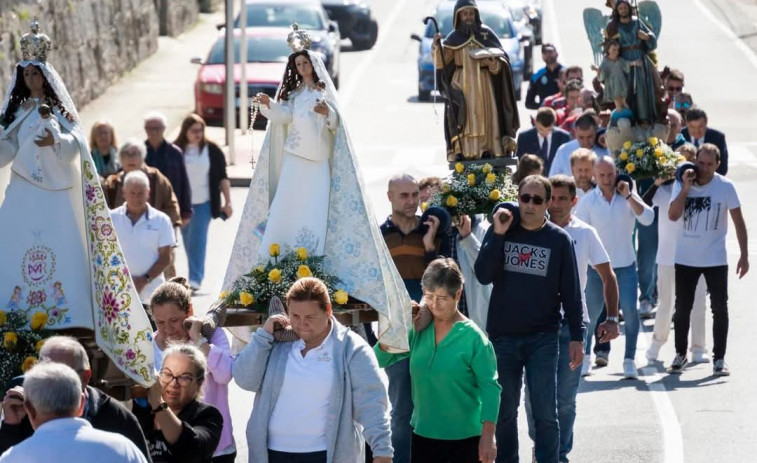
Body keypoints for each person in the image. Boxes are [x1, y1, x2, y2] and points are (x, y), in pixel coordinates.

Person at [228, 28, 410, 359]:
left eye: (305, 64)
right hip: (296, 160)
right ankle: (282, 256)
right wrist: (270, 107)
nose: (302, 70)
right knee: (287, 208)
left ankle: (311, 258)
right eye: (297, 65)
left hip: (317, 165)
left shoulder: (322, 96)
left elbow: (336, 122)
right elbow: (284, 118)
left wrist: (328, 117)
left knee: (311, 211)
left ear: (313, 64)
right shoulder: (296, 97)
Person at [0, 19, 154, 383]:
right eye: (28, 76)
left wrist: (55, 142)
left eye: (38, 75)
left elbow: (77, 147)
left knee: (64, 253)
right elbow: (6, 148)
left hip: (56, 197)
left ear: (46, 77)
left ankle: (68, 313)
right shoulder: (18, 114)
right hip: (24, 193)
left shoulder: (60, 114)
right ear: (22, 79)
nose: (33, 81)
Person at [475, 175, 585, 463]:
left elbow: (571, 292)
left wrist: (577, 336)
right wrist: (498, 234)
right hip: (503, 337)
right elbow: (482, 275)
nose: (530, 205)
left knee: (545, 413)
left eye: (537, 200)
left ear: (548, 203)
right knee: (504, 412)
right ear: (518, 198)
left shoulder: (559, 240)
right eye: (525, 198)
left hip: (543, 338)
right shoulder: (503, 230)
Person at [233, 277, 393, 463]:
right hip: (270, 454)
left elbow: (372, 404)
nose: (302, 324)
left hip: (326, 455)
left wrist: (383, 453)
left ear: (328, 311)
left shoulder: (352, 349)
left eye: (310, 317)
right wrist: (264, 335)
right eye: (295, 316)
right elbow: (244, 379)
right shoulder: (274, 342)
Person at [522, 175, 619, 462]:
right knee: (533, 397)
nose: (557, 204)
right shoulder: (530, 229)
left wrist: (612, 317)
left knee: (564, 399)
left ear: (574, 201)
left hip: (572, 327)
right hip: (536, 326)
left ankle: (558, 453)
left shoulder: (585, 234)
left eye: (564, 198)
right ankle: (542, 448)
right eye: (553, 198)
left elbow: (607, 275)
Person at [374, 258, 500, 463]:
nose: (433, 304)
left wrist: (488, 436)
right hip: (423, 436)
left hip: (466, 440)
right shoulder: (418, 329)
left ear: (457, 294)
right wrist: (399, 326)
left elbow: (490, 388)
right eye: (428, 296)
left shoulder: (474, 339)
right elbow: (379, 359)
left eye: (441, 298)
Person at [378, 173, 449, 462]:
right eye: (403, 195)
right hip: (396, 332)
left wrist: (431, 245)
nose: (411, 201)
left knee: (435, 405)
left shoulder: (433, 230)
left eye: (414, 195)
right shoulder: (379, 235)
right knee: (402, 409)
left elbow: (446, 278)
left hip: (434, 329)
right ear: (390, 197)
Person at [667, 144, 749, 376]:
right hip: (685, 257)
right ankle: (680, 354)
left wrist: (744, 255)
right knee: (682, 308)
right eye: (700, 163)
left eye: (708, 164)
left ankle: (719, 358)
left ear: (717, 165)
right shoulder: (682, 181)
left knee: (720, 309)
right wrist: (685, 188)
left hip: (715, 258)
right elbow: (672, 215)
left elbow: (739, 222)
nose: (703, 168)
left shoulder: (725, 187)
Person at [0, 336, 151, 460]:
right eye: (44, 374)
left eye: (64, 375)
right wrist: (11, 426)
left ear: (85, 377)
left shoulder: (118, 419)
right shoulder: (19, 411)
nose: (51, 383)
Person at [574, 156, 654, 378]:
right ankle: (586, 358)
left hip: (625, 267)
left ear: (616, 173)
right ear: (594, 176)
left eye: (610, 174)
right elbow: (579, 231)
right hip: (596, 270)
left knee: (630, 311)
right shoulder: (588, 201)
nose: (607, 179)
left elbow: (648, 218)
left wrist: (628, 195)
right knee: (589, 316)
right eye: (601, 175)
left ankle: (629, 360)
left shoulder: (627, 197)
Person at [149, 278, 236, 462]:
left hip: (216, 449)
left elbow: (224, 375)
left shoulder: (212, 336)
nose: (168, 329)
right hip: (167, 450)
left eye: (174, 320)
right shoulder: (146, 346)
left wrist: (198, 339)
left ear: (189, 311)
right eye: (160, 322)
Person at [641, 144, 709, 363]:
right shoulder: (665, 189)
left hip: (696, 257)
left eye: (689, 161)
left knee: (698, 303)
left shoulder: (702, 189)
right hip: (668, 257)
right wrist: (657, 181)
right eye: (680, 161)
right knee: (666, 303)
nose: (685, 166)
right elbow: (644, 204)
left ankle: (698, 348)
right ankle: (657, 344)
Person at [433, 0, 519, 161]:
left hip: (484, 83)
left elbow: (501, 63)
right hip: (462, 84)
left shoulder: (486, 34)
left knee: (487, 117)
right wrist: (437, 47)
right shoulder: (453, 38)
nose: (468, 17)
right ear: (458, 16)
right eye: (465, 14)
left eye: (471, 13)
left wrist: (494, 65)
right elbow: (441, 63)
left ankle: (488, 148)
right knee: (465, 118)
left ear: (476, 14)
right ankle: (464, 151)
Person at [102, 140, 182, 278]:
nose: (131, 157)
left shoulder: (157, 179)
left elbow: (171, 206)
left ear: (143, 157)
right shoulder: (112, 183)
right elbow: (103, 212)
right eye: (127, 154)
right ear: (120, 158)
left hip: (155, 245)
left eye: (136, 153)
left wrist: (155, 226)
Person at [133, 344, 223, 463]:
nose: (173, 383)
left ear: (199, 383)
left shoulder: (208, 415)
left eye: (184, 378)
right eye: (168, 374)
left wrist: (159, 403)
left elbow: (192, 449)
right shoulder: (141, 412)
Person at [172, 113, 232, 291]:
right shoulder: (176, 150)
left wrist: (227, 202)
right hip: (182, 203)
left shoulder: (212, 150)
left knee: (198, 239)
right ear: (185, 131)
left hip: (204, 202)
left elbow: (223, 177)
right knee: (187, 240)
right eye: (194, 130)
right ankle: (193, 274)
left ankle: (195, 278)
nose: (198, 133)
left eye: (201, 130)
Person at [110, 170, 175, 304]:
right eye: (132, 193)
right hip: (118, 291)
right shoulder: (110, 219)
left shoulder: (161, 220)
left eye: (140, 193)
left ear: (148, 193)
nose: (136, 198)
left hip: (153, 293)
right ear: (124, 193)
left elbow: (165, 258)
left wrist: (143, 280)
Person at [604, 0, 665, 123]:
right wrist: (613, 48)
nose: (623, 10)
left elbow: (652, 40)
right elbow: (607, 44)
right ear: (617, 10)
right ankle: (628, 117)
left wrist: (646, 37)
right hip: (623, 59)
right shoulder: (613, 26)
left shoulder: (637, 22)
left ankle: (644, 118)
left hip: (639, 57)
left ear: (629, 8)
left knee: (644, 88)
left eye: (625, 7)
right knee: (625, 89)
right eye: (620, 8)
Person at [144, 111, 193, 224]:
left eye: (157, 128)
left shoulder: (175, 153)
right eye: (150, 128)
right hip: (144, 209)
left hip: (169, 208)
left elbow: (184, 183)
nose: (153, 132)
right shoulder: (139, 153)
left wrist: (186, 212)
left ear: (164, 129)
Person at [549, 113, 608, 177]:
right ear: (575, 134)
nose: (586, 142)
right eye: (581, 137)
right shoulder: (564, 151)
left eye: (590, 137)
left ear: (596, 132)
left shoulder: (606, 149)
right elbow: (553, 178)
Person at [516, 107, 571, 174]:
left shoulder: (564, 137)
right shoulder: (524, 137)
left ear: (554, 123)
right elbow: (520, 164)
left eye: (549, 130)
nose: (545, 133)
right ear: (535, 121)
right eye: (541, 129)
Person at [591, 39, 641, 110]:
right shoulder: (605, 62)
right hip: (612, 83)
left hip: (621, 81)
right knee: (617, 99)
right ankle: (618, 111)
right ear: (608, 50)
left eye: (617, 50)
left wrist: (634, 63)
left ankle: (625, 107)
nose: (616, 52)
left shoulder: (619, 60)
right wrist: (596, 69)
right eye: (614, 50)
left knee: (624, 98)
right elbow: (602, 71)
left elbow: (626, 64)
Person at [680, 108, 728, 175]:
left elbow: (722, 168)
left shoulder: (718, 138)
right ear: (687, 124)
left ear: (706, 122)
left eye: (700, 127)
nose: (696, 131)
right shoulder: (679, 135)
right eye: (692, 127)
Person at [525, 43, 563, 110]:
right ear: (542, 56)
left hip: (563, 113)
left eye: (550, 52)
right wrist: (544, 106)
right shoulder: (537, 76)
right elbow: (529, 103)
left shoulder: (566, 73)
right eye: (545, 53)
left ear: (556, 54)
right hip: (547, 116)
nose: (548, 55)